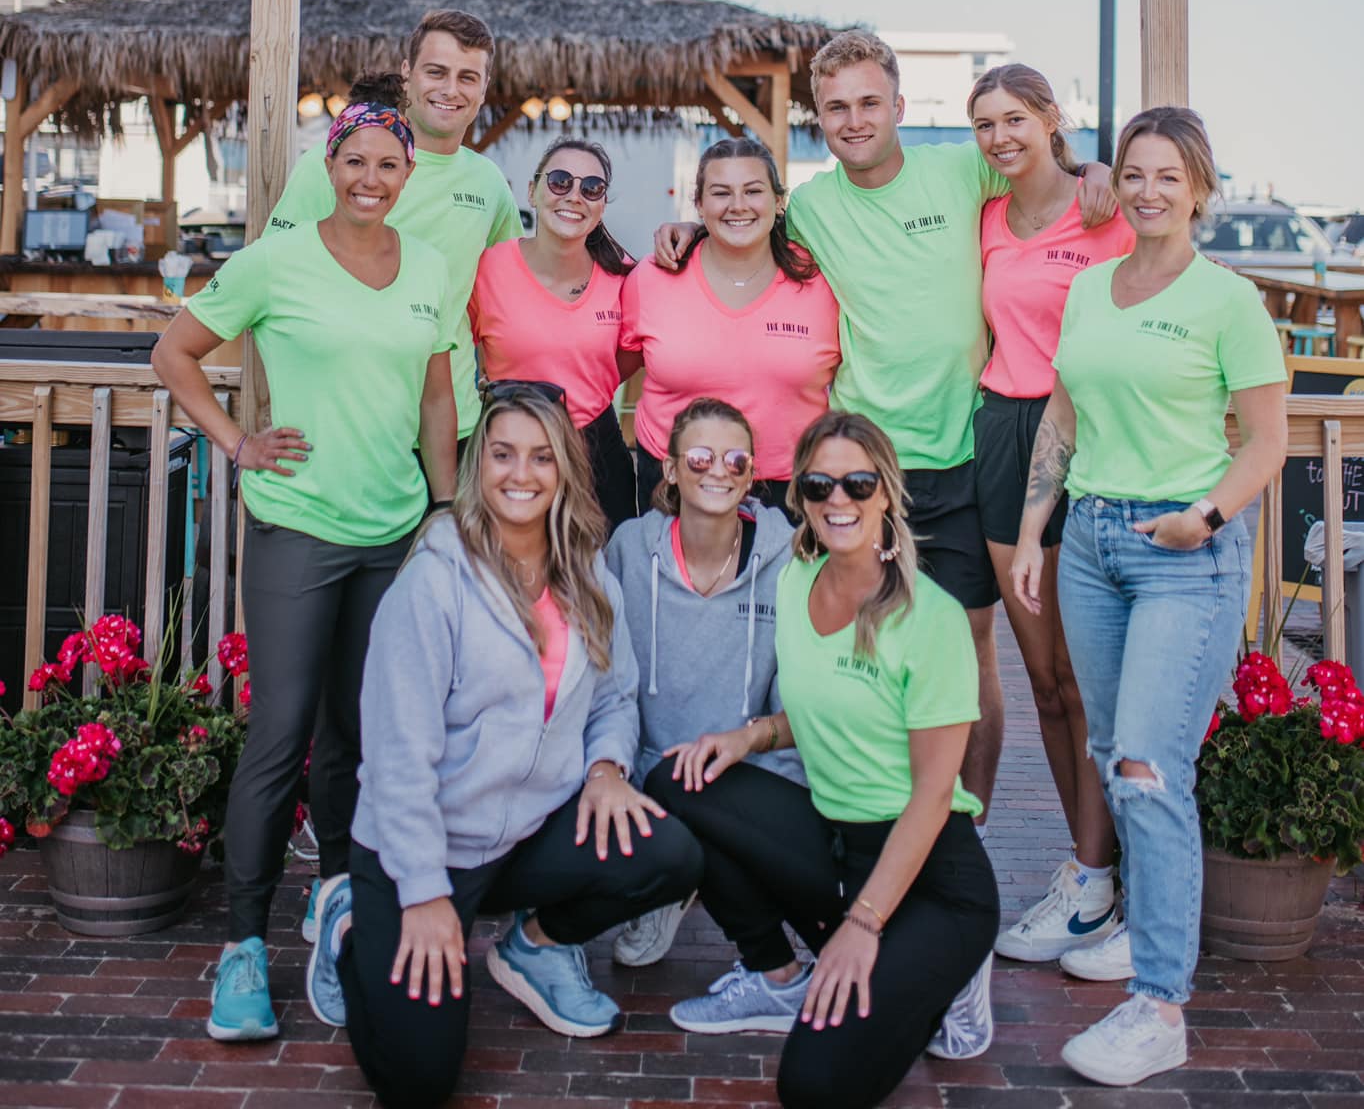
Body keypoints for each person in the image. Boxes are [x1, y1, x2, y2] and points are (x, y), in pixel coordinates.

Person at [655, 31, 1113, 815]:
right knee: (863, 646)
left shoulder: (960, 168)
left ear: (900, 105)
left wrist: (1094, 170)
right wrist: (692, 232)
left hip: (965, 454)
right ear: (819, 117)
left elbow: (1040, 165)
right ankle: (877, 815)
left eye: (869, 102)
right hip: (862, 472)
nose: (854, 120)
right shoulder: (812, 209)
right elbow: (745, 230)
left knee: (968, 652)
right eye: (836, 107)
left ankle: (963, 830)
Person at [151, 75, 460, 1045]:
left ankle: (337, 902)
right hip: (297, 526)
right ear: (329, 166)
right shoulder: (274, 262)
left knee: (357, 736)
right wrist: (235, 442)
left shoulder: (430, 268)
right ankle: (243, 947)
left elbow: (438, 399)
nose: (370, 177)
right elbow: (173, 353)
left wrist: (445, 510)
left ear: (407, 173)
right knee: (279, 735)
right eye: (354, 160)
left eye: (387, 164)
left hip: (392, 532)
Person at [303, 384, 704, 1109]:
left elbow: (614, 697)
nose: (522, 474)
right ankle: (352, 931)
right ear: (476, 466)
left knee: (668, 853)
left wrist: (606, 768)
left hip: (522, 839)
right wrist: (424, 895)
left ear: (565, 470)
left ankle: (534, 946)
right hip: (419, 852)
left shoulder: (586, 572)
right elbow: (397, 761)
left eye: (542, 457)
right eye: (503, 455)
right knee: (418, 1080)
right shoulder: (434, 581)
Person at [1014, 107, 1288, 1088]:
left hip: (1183, 550)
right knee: (1108, 748)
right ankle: (1134, 921)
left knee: (1146, 764)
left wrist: (1202, 518)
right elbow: (1063, 411)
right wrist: (1035, 526)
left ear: (1199, 188)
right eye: (1133, 173)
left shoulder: (1229, 300)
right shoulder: (1091, 287)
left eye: (1169, 175)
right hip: (1092, 540)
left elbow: (1265, 441)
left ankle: (1159, 1003)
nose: (1147, 190)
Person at [651, 411, 999, 1104]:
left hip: (932, 879)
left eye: (858, 484)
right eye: (819, 485)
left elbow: (935, 793)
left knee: (810, 1086)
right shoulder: (796, 581)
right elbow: (827, 713)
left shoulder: (930, 618)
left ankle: (948, 975)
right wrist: (748, 737)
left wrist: (864, 924)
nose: (838, 500)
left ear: (886, 492)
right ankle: (777, 975)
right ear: (801, 497)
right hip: (839, 850)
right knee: (678, 780)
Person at [967, 64, 1134, 963]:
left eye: (1015, 119)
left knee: (1086, 675)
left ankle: (1104, 874)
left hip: (1088, 436)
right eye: (985, 124)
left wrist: (1102, 169)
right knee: (1042, 679)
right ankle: (1086, 875)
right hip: (1003, 432)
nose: (1000, 137)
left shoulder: (1105, 209)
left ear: (1051, 120)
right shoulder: (986, 218)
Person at [605, 397, 802, 974]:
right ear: (669, 469)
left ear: (752, 474)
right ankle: (666, 885)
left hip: (745, 774)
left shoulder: (788, 559)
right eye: (699, 458)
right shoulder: (628, 551)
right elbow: (605, 680)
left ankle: (770, 955)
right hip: (649, 776)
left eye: (736, 460)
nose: (719, 470)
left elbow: (796, 703)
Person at [265, 9, 521, 444]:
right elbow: (272, 284)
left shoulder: (489, 183)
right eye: (436, 72)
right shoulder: (335, 165)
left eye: (467, 77)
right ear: (407, 73)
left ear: (484, 89)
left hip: (452, 427)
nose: (450, 89)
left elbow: (514, 289)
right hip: (344, 426)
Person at [625, 138, 840, 515]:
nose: (738, 205)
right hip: (675, 484)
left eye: (753, 191)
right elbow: (611, 367)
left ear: (778, 202)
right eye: (721, 193)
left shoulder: (822, 280)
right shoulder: (653, 277)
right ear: (699, 203)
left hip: (790, 488)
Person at [471, 138, 638, 532]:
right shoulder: (488, 268)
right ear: (532, 191)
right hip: (511, 449)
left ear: (602, 204)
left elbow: (634, 352)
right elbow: (456, 350)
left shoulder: (624, 276)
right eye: (560, 181)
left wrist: (588, 384)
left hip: (596, 451)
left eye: (592, 188)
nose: (574, 196)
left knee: (605, 568)